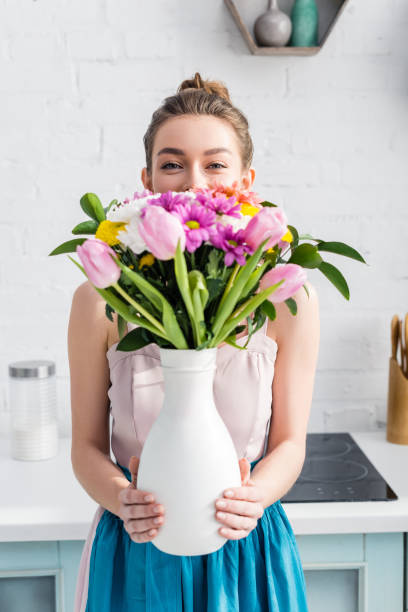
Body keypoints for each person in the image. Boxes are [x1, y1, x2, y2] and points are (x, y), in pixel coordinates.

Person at [70, 72, 320, 611]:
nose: (192, 182)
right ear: (146, 181)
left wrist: (256, 498)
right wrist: (122, 499)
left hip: (246, 545)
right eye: (172, 163)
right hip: (137, 547)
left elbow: (290, 443)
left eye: (215, 164)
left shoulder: (286, 298)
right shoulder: (100, 300)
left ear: (245, 181)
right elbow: (86, 447)